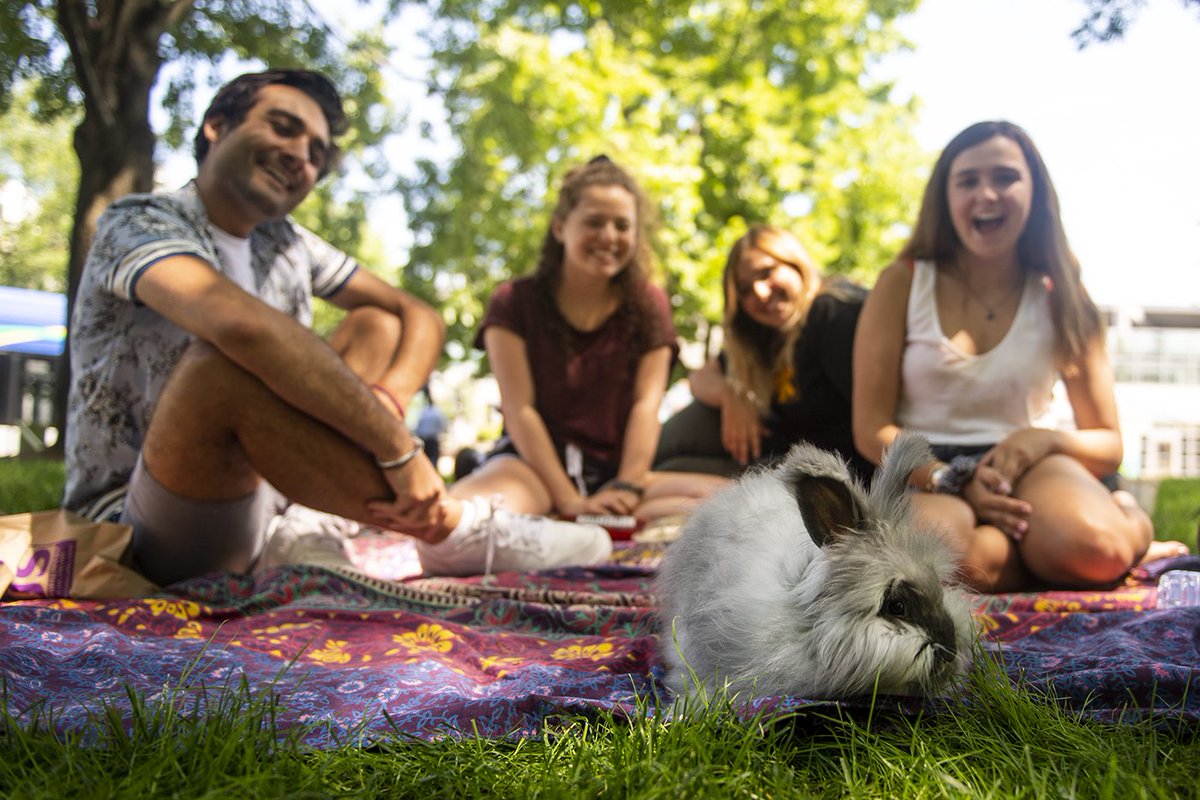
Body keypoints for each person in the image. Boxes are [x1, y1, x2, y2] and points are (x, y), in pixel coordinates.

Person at [64, 69, 610, 585]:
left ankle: (308, 528)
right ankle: (450, 527)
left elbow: (417, 315)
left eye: (317, 153)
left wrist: (385, 408)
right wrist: (398, 450)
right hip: (141, 525)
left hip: (269, 505)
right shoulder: (138, 222)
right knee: (221, 367)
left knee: (376, 324)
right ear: (216, 126)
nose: (300, 155)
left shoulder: (286, 243)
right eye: (283, 127)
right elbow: (240, 328)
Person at [852, 120, 1188, 593]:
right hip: (927, 470)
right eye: (968, 180)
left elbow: (1109, 443)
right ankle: (1045, 557)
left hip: (1031, 464)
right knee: (938, 562)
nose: (986, 194)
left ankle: (1126, 524)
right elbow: (871, 430)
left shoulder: (1061, 294)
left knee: (1099, 550)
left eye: (1005, 177)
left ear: (1035, 192)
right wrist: (951, 478)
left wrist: (1041, 441)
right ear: (945, 198)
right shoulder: (902, 282)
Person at [422, 156, 724, 567]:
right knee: (446, 528)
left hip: (620, 478)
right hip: (533, 469)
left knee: (752, 503)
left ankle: (578, 531)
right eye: (594, 222)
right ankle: (566, 526)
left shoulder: (649, 304)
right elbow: (520, 408)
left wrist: (627, 486)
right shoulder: (514, 301)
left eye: (622, 225)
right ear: (560, 227)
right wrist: (569, 500)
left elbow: (645, 405)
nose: (609, 236)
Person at [654, 225, 873, 482]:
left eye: (767, 272)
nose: (759, 292)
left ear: (796, 264)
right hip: (776, 457)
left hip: (832, 476)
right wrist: (731, 394)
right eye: (745, 290)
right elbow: (700, 378)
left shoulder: (833, 312)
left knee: (665, 479)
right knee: (667, 465)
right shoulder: (764, 336)